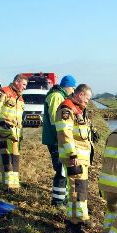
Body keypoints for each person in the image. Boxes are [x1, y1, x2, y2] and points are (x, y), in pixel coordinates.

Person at [55, 83, 97, 233]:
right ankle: (74, 222)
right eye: (87, 98)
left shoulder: (78, 109)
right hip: (74, 158)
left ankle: (80, 217)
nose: (88, 101)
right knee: (76, 189)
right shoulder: (66, 109)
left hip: (81, 158)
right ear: (80, 94)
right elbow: (64, 133)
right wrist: (72, 154)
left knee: (81, 187)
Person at [42, 75, 77, 207]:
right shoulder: (57, 96)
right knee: (62, 169)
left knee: (63, 169)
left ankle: (62, 198)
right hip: (56, 139)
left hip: (58, 138)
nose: (73, 91)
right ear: (67, 86)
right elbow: (56, 119)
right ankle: (58, 202)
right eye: (72, 88)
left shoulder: (59, 95)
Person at [0, 74, 28, 192]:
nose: (25, 87)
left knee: (14, 159)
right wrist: (1, 121)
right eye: (24, 84)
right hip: (2, 133)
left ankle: (14, 184)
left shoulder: (20, 98)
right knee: (5, 159)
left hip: (14, 135)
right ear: (17, 81)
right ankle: (7, 186)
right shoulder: (3, 92)